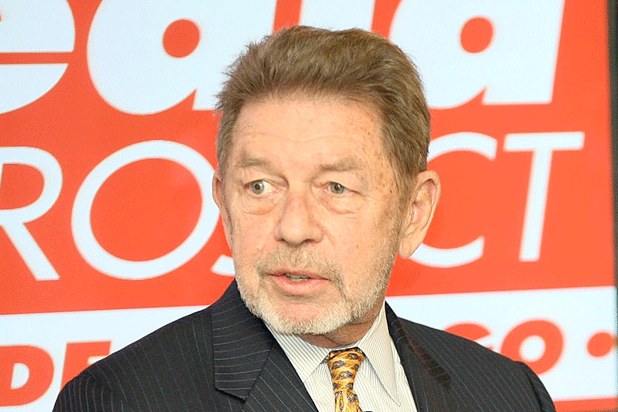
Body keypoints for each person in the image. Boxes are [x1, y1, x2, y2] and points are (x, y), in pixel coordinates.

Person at [53, 26, 555, 412]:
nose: (293, 228)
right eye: (260, 187)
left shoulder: (509, 393)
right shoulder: (120, 399)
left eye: (335, 188)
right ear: (225, 206)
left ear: (414, 212)